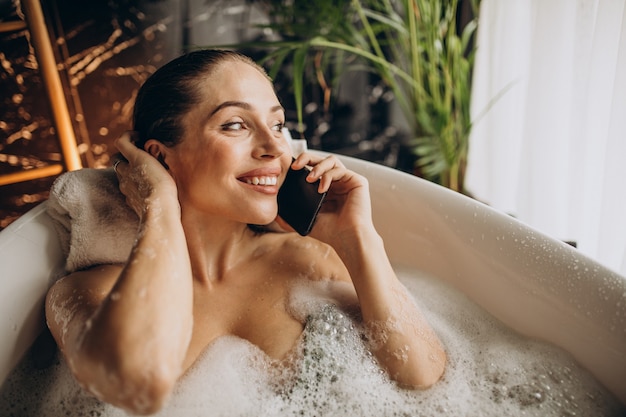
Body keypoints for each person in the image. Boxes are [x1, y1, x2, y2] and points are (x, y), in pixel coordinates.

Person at [44, 49, 446, 415]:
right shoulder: (87, 294)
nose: (274, 146)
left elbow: (423, 377)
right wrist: (159, 206)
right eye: (235, 125)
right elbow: (134, 381)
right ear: (159, 157)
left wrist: (356, 236)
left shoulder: (309, 258)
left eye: (277, 124)